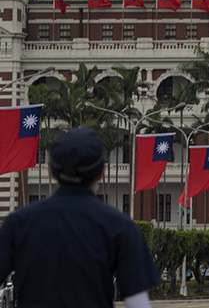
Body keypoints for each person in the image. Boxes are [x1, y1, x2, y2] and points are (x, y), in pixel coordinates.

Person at [0, 127, 160, 308]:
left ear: (50, 171)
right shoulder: (120, 227)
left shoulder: (18, 223)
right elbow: (137, 302)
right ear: (102, 172)